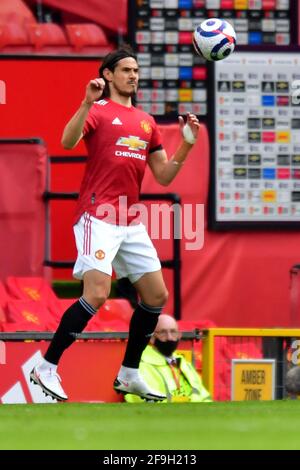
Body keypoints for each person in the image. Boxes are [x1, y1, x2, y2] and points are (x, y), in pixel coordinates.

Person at [30, 45, 200, 402]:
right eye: (126, 70)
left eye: (136, 70)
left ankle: (129, 373)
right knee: (96, 293)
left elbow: (164, 176)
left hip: (130, 219)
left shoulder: (146, 121)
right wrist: (86, 103)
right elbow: (67, 140)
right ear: (108, 75)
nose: (133, 76)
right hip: (98, 215)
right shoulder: (99, 110)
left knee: (156, 296)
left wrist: (185, 145)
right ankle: (47, 365)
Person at [124, 314, 212, 403]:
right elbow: (144, 403)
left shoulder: (184, 363)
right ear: (152, 338)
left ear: (179, 335)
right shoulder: (138, 367)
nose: (169, 337)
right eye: (163, 332)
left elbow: (204, 397)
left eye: (173, 332)